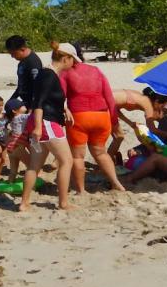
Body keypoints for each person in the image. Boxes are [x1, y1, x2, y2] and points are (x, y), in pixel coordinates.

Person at [52, 42, 125, 194]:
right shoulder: (96, 70)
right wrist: (115, 122)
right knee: (101, 153)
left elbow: (60, 97)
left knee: (78, 157)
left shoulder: (65, 73)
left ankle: (81, 190)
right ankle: (116, 183)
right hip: (101, 116)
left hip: (79, 117)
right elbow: (110, 98)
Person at [19, 63, 73, 212]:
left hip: (40, 122)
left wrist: (64, 108)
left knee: (34, 166)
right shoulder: (49, 74)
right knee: (66, 161)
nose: (74, 63)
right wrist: (37, 127)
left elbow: (47, 98)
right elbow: (38, 101)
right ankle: (63, 203)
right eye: (73, 59)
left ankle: (24, 203)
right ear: (65, 58)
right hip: (45, 123)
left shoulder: (45, 73)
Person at [108, 89, 158, 162]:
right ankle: (108, 162)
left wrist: (130, 123)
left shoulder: (138, 95)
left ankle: (110, 159)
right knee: (119, 137)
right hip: (105, 106)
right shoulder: (147, 102)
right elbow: (151, 127)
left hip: (105, 103)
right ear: (155, 101)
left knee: (118, 137)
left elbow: (116, 109)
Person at [5, 35, 44, 107]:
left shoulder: (33, 62)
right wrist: (11, 100)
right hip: (25, 102)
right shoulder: (22, 61)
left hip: (32, 104)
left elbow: (37, 87)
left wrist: (33, 107)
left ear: (22, 49)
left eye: (13, 53)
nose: (12, 56)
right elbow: (21, 85)